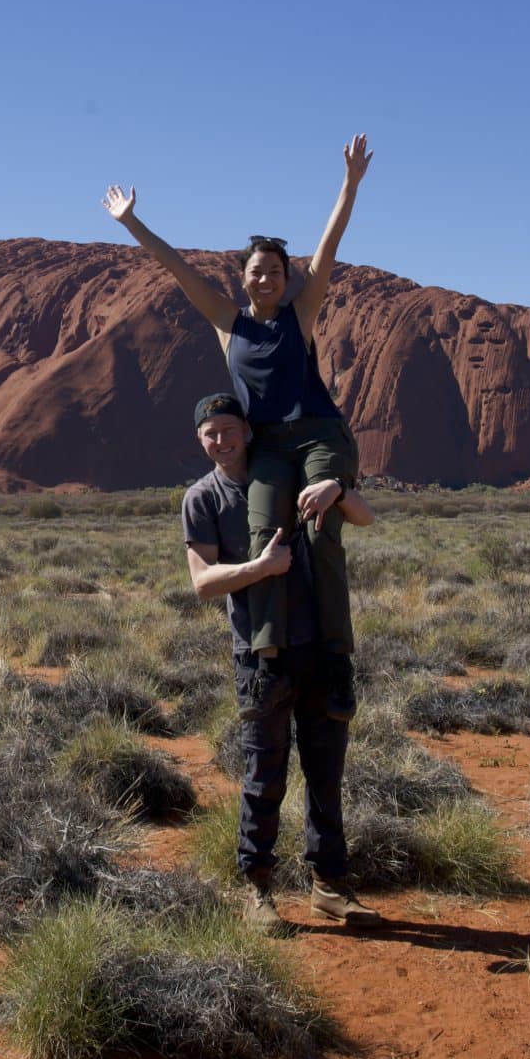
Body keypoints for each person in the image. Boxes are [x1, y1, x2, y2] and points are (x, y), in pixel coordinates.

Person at [103, 134, 372, 712]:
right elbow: (175, 268)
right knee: (264, 538)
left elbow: (328, 247)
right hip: (269, 446)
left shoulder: (301, 315)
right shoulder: (228, 323)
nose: (266, 278)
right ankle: (268, 658)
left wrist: (349, 185)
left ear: (285, 277)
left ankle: (335, 662)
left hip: (318, 434)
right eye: (256, 271)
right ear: (243, 277)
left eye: (275, 270)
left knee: (321, 526)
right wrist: (133, 222)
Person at [181, 391, 381, 932]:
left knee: (325, 773)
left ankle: (329, 887)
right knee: (263, 775)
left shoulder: (295, 475)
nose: (220, 441)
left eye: (229, 430)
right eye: (210, 434)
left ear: (248, 431)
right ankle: (258, 892)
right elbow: (202, 583)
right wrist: (262, 567)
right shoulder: (202, 498)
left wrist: (337, 485)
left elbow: (365, 519)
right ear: (200, 441)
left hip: (318, 645)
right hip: (259, 655)